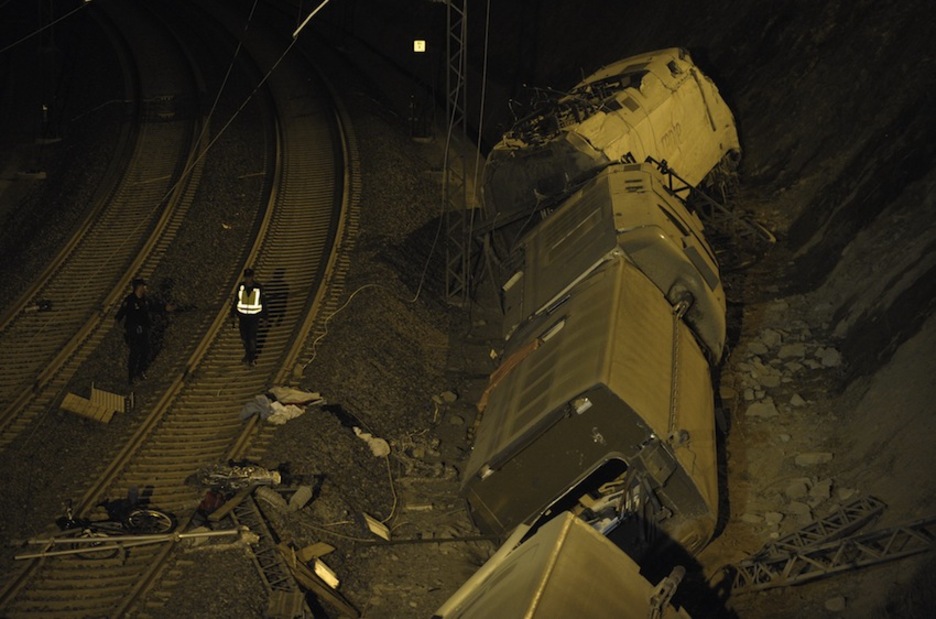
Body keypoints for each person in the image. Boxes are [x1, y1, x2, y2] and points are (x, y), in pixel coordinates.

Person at [115, 278, 154, 384]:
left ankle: (140, 371)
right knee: (135, 353)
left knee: (146, 351)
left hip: (144, 330)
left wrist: (165, 308)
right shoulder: (130, 300)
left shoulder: (145, 300)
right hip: (133, 331)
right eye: (144, 286)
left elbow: (154, 306)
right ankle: (131, 376)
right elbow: (120, 314)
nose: (146, 288)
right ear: (139, 287)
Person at [232, 268, 266, 366]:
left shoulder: (258, 288)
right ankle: (247, 354)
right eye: (247, 277)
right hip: (242, 317)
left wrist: (265, 317)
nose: (248, 279)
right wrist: (232, 314)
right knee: (244, 338)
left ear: (252, 277)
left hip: (254, 318)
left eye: (249, 277)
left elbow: (263, 302)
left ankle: (251, 358)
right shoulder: (241, 287)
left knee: (252, 338)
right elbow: (236, 300)